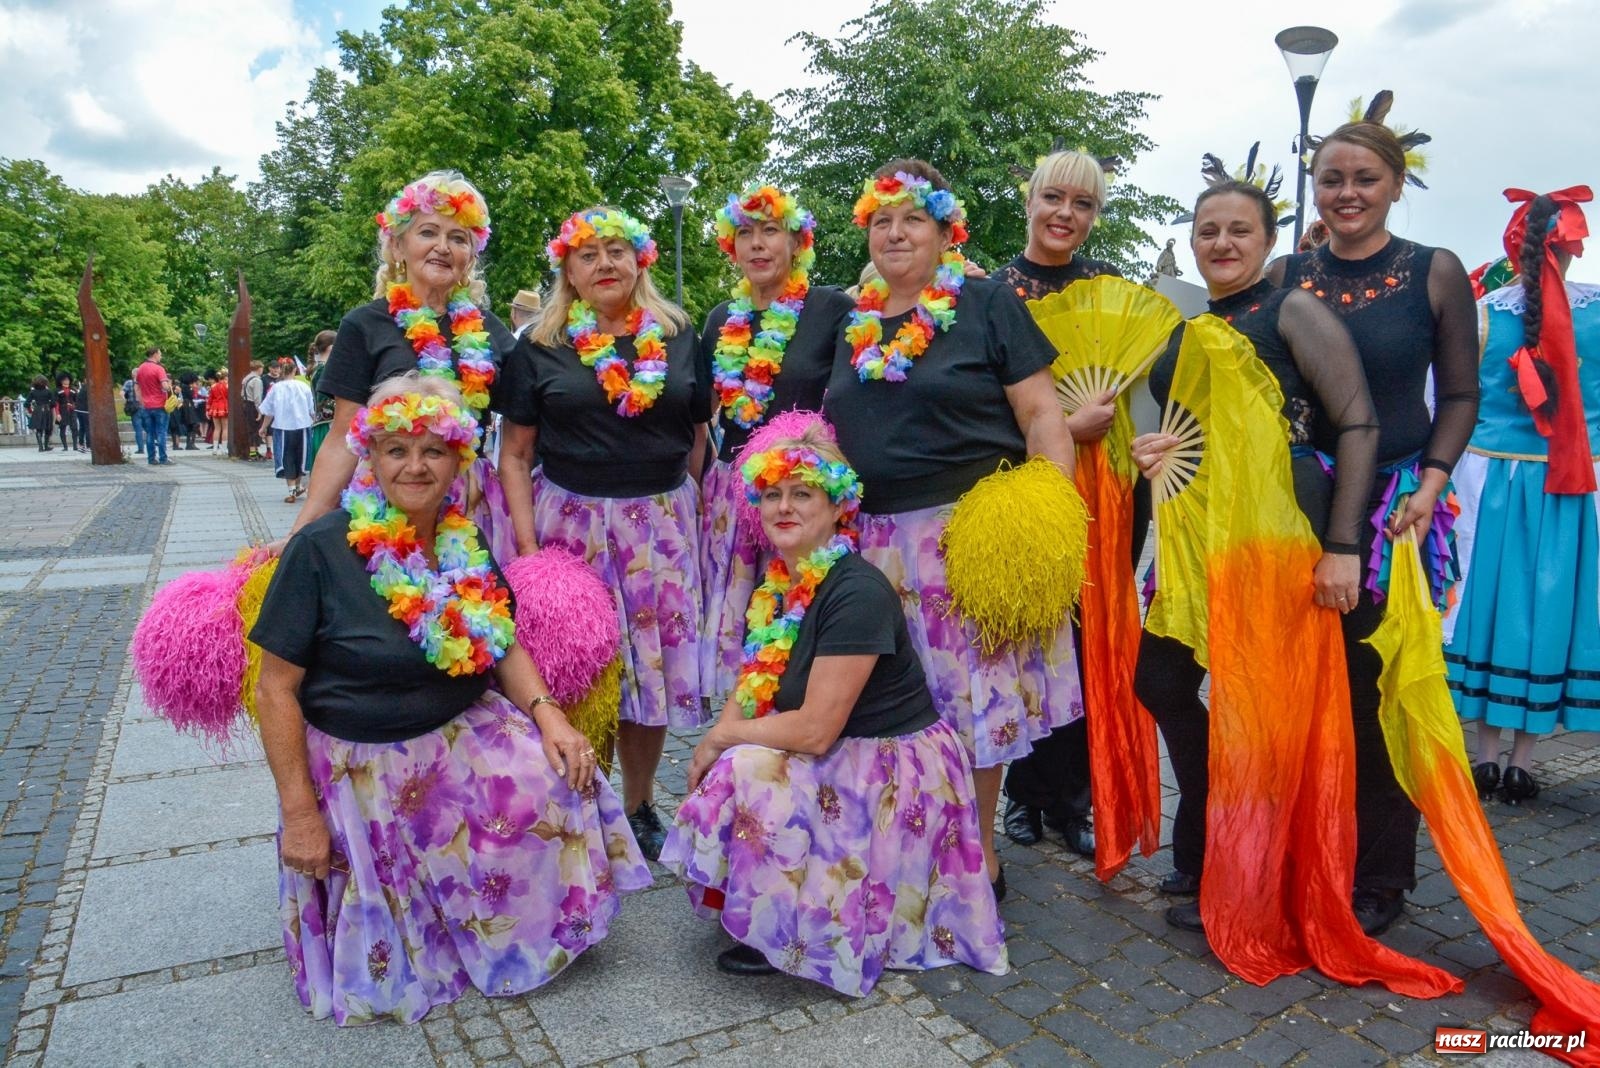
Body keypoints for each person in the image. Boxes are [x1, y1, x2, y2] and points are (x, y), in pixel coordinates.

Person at [252, 373, 649, 1025]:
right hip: (363, 754)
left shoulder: (462, 540)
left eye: (433, 449)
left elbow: (502, 642)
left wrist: (549, 716)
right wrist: (300, 813)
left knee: (560, 776)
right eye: (396, 449)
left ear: (457, 459)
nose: (415, 465)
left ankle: (519, 921)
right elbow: (275, 691)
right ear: (370, 456)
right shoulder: (319, 550)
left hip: (457, 722)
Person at [662, 422, 1007, 992]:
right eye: (772, 494)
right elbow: (755, 686)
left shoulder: (856, 593)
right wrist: (721, 732)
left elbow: (818, 730)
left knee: (745, 769)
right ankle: (773, 907)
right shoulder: (780, 584)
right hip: (850, 745)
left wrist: (722, 740)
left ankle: (803, 928)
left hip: (894, 766)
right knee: (733, 764)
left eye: (802, 494)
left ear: (836, 507)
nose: (784, 506)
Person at [822, 159, 1079, 896]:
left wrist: (1044, 525)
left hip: (968, 538)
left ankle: (977, 855)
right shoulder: (852, 322)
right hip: (869, 545)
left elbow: (1043, 422)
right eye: (881, 220)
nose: (895, 233)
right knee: (887, 700)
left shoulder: (988, 303)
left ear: (944, 230)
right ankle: (897, 842)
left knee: (973, 702)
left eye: (913, 219)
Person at [1132, 180, 1378, 931]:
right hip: (1200, 531)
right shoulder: (1191, 326)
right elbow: (1198, 426)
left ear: (1268, 240)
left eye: (1239, 230)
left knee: (1259, 708)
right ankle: (1212, 839)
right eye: (1208, 230)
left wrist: (1342, 546)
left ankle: (1249, 878)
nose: (1222, 244)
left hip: (1278, 530)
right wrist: (1159, 448)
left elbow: (1359, 425)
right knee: (1161, 680)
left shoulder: (1290, 310)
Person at [1268, 119, 1479, 935]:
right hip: (1294, 507)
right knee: (1296, 690)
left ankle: (1380, 874)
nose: (1346, 193)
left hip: (1393, 511)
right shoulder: (1287, 273)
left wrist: (1430, 484)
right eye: (1331, 179)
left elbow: (1460, 395)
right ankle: (1299, 851)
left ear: (1395, 183)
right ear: (1314, 188)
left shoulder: (1435, 273)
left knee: (1371, 690)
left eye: (1364, 178)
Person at [498, 206, 709, 860]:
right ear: (567, 269)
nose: (605, 265)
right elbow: (514, 454)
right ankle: (583, 798)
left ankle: (641, 800)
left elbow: (698, 432)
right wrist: (530, 551)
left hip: (662, 523)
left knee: (653, 673)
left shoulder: (678, 334)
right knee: (585, 671)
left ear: (640, 259)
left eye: (617, 251)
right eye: (589, 255)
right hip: (571, 524)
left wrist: (686, 510)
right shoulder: (539, 346)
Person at [994, 148, 1130, 856]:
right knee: (1023, 638)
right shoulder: (989, 291)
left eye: (1083, 205)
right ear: (1030, 200)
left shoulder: (1111, 294)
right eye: (1055, 198)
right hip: (1019, 483)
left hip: (1101, 491)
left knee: (1084, 642)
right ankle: (1023, 793)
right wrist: (1059, 431)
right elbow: (982, 403)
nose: (1066, 215)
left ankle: (1073, 801)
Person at [1446, 187, 1600, 804]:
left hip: (1493, 484)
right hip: (1574, 483)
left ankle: (1483, 757)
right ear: (1573, 248)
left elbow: (1447, 402)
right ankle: (1522, 762)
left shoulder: (1484, 314)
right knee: (1550, 608)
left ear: (1517, 246)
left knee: (1487, 605)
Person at [698, 183, 857, 710]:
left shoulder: (831, 308)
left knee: (801, 619)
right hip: (737, 499)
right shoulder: (721, 319)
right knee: (746, 625)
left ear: (796, 243)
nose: (758, 245)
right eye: (745, 233)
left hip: (805, 495)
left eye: (771, 231)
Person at [287, 171, 514, 538]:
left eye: (457, 238)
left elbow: (527, 427)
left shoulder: (491, 331)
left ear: (469, 258)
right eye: (428, 232)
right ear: (398, 246)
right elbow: (343, 434)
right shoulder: (364, 325)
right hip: (386, 503)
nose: (443, 246)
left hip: (471, 510)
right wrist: (304, 526)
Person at [257, 358, 316, 502]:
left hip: (282, 427)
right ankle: (297, 486)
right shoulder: (304, 387)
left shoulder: (276, 388)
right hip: (302, 425)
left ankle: (291, 491)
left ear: (282, 371)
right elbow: (312, 410)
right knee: (301, 456)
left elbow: (269, 411)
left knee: (286, 456)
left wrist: (263, 427)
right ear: (295, 370)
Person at [133, 346, 171, 465]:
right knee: (161, 432)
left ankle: (151, 458)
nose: (161, 356)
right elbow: (164, 386)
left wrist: (141, 401)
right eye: (160, 354)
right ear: (154, 354)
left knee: (149, 433)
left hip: (146, 405)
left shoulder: (141, 368)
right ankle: (163, 458)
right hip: (159, 404)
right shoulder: (159, 368)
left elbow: (137, 387)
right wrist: (170, 387)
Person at [304, 330, 337, 470]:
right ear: (331, 348)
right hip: (329, 423)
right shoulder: (326, 369)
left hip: (322, 422)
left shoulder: (318, 368)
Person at [241, 360, 266, 459]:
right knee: (255, 429)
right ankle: (253, 453)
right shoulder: (257, 380)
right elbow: (257, 397)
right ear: (259, 368)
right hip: (253, 406)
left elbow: (242, 393)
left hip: (246, 404)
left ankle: (255, 451)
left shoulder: (246, 378)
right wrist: (259, 411)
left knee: (250, 427)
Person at [25, 375, 55, 452]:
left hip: (37, 409)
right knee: (48, 428)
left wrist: (30, 410)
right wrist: (50, 406)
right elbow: (53, 402)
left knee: (39, 429)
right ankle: (46, 446)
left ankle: (40, 447)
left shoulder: (33, 392)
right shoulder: (48, 391)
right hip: (47, 409)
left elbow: (26, 403)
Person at [54, 373, 79, 452]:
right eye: (64, 380)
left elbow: (77, 401)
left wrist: (74, 406)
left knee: (74, 428)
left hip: (72, 411)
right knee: (62, 428)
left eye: (68, 380)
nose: (66, 381)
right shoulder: (57, 390)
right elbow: (56, 403)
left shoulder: (73, 390)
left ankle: (75, 445)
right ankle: (65, 446)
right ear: (60, 381)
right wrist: (57, 413)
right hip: (62, 411)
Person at [206, 369, 229, 451]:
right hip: (225, 406)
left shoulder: (213, 386)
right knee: (225, 428)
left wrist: (207, 410)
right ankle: (224, 448)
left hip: (215, 407)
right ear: (226, 376)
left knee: (217, 428)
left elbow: (210, 399)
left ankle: (215, 449)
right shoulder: (228, 385)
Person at [73, 377, 91, 452]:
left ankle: (80, 444)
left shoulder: (82, 388)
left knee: (82, 427)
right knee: (88, 428)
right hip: (85, 410)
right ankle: (89, 446)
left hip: (78, 410)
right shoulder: (89, 389)